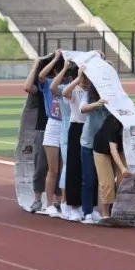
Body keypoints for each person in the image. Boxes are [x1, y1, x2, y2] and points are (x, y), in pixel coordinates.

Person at [22, 56, 58, 213]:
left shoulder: (65, 85)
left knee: (59, 167)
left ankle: (58, 200)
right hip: (43, 129)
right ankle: (37, 200)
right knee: (41, 166)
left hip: (62, 129)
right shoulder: (44, 86)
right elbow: (28, 87)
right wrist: (36, 64)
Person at [50, 58, 83, 221]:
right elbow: (53, 88)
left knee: (79, 167)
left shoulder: (84, 91)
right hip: (67, 129)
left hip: (81, 129)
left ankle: (77, 202)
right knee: (69, 166)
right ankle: (64, 202)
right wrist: (64, 67)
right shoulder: (66, 89)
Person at [36, 51, 65, 217]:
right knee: (53, 169)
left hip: (67, 125)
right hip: (53, 125)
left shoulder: (70, 84)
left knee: (64, 168)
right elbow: (41, 76)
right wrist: (55, 59)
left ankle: (62, 202)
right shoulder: (48, 83)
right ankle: (49, 204)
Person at [79, 84, 110, 224]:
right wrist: (97, 104)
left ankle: (105, 211)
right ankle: (87, 212)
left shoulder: (112, 94)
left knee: (105, 180)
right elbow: (82, 108)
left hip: (105, 144)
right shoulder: (89, 95)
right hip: (89, 143)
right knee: (89, 179)